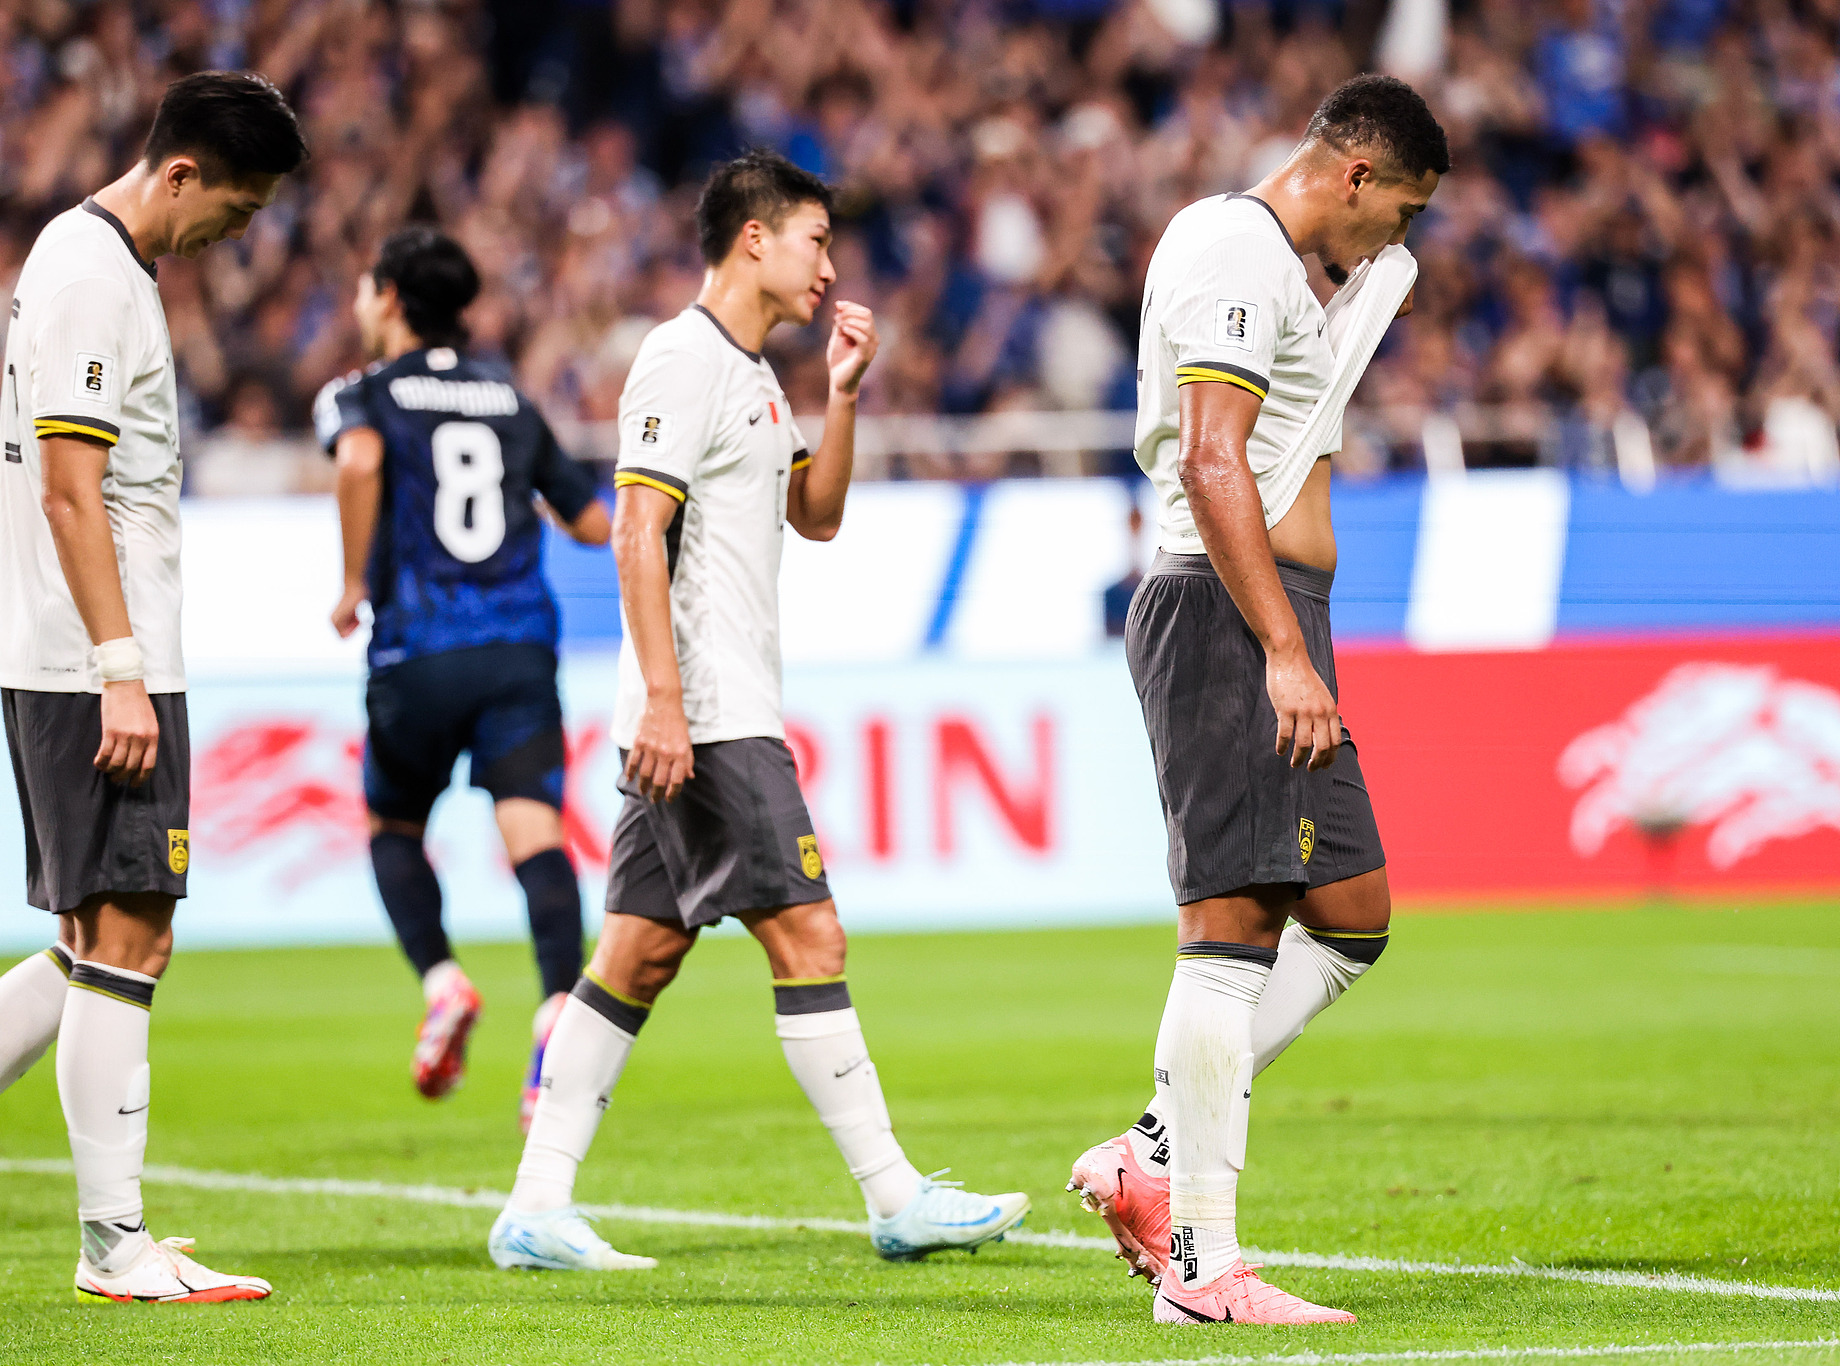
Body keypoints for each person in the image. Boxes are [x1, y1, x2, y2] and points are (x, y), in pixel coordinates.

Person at [485, 149, 1030, 1272]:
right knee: (809, 933)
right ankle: (891, 1193)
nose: (828, 263)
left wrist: (843, 393)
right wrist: (670, 705)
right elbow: (636, 530)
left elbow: (815, 516)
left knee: (634, 954)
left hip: (705, 706)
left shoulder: (755, 374)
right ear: (753, 239)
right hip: (708, 711)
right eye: (815, 240)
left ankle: (535, 1205)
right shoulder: (680, 360)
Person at [0, 73, 307, 1305]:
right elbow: (68, 486)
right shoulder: (95, 273)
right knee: (132, 931)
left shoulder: (96, 263)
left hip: (77, 652)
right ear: (181, 172)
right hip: (98, 659)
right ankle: (111, 1244)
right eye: (234, 212)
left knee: (94, 936)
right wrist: (122, 668)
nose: (233, 238)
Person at [1066, 75, 1448, 1327]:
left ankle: (1147, 1149)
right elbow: (1210, 454)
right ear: (1353, 173)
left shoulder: (1293, 274)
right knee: (1228, 926)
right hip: (1230, 613)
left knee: (1346, 916)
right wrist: (1281, 649)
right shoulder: (1231, 244)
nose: (1395, 235)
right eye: (1397, 208)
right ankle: (1201, 1268)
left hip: (1278, 615)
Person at [316, 226, 610, 1127]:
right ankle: (559, 1009)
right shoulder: (510, 400)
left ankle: (444, 984)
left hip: (420, 648)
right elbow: (593, 522)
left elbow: (362, 459)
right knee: (537, 836)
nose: (362, 304)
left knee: (393, 824)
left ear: (392, 296)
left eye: (367, 288)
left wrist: (354, 579)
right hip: (519, 649)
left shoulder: (358, 394)